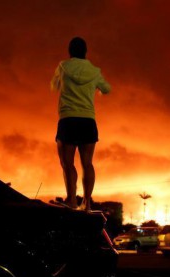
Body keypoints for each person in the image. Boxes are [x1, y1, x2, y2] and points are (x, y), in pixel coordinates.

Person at [51, 37, 111, 211]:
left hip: (68, 119)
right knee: (87, 163)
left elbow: (54, 86)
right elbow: (107, 89)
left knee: (67, 163)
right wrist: (96, 89)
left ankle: (71, 200)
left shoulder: (63, 67)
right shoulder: (94, 71)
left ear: (70, 52)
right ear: (86, 52)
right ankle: (87, 202)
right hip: (87, 121)